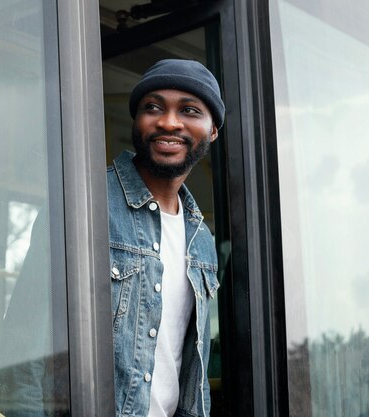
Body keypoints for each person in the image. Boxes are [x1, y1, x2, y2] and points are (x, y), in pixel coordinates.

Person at [107, 59, 224, 417]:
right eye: (153, 107)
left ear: (213, 131)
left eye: (189, 110)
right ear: (137, 120)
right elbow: (30, 353)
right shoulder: (85, 203)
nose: (169, 122)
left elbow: (192, 369)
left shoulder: (201, 239)